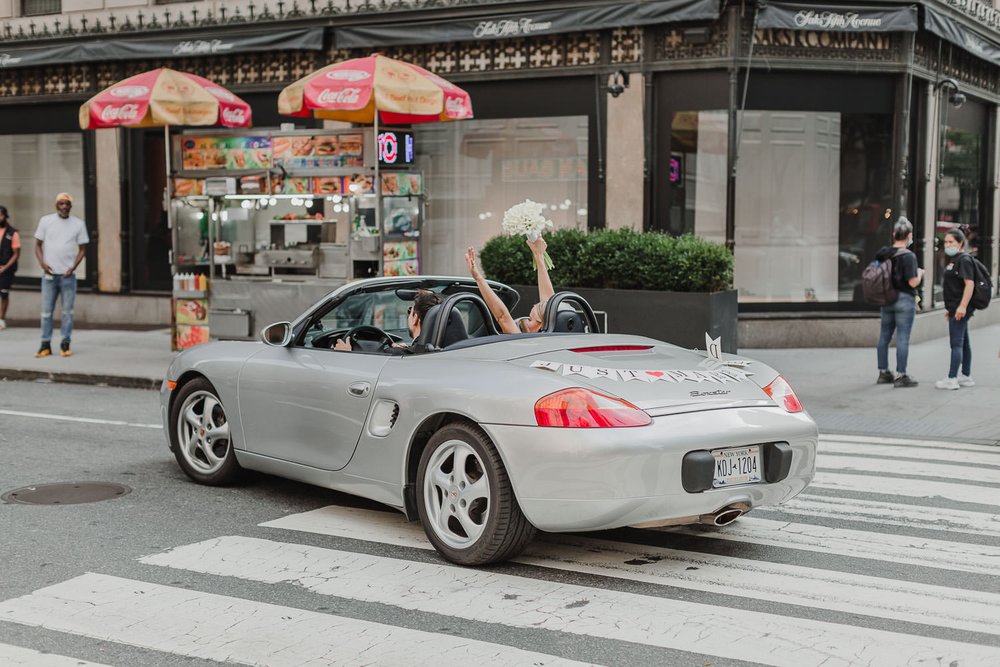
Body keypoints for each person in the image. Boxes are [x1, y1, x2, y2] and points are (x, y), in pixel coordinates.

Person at [34, 193, 88, 358]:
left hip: (67, 277)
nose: (64, 207)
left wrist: (73, 268)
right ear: (56, 205)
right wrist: (42, 264)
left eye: (67, 204)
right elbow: (37, 245)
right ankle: (45, 345)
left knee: (67, 312)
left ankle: (65, 343)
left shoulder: (78, 224)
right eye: (61, 204)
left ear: (71, 206)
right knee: (46, 312)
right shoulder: (46, 221)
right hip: (49, 276)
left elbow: (83, 249)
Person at [466, 236, 555, 334]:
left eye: (530, 319)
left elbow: (502, 316)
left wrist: (478, 277)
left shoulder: (525, 342)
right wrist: (539, 255)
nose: (524, 322)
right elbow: (550, 306)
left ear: (542, 326)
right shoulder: (560, 336)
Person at [874, 218, 924, 388]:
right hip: (904, 300)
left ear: (893, 234)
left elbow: (876, 271)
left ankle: (883, 372)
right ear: (909, 235)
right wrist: (920, 274)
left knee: (884, 337)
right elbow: (912, 282)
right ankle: (901, 375)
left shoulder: (883, 253)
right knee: (902, 338)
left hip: (886, 299)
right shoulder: (909, 256)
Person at [334, 289, 442, 351]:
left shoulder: (399, 355)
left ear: (415, 319)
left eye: (410, 311)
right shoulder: (448, 348)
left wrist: (346, 354)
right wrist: (409, 348)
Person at [935, 229, 977, 390]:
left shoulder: (963, 260)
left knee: (956, 344)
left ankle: (952, 378)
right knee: (964, 343)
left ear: (960, 243)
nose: (947, 245)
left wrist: (962, 306)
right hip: (955, 308)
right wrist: (952, 308)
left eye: (951, 242)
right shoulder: (956, 259)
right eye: (946, 242)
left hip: (960, 309)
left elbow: (969, 284)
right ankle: (965, 375)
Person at [0, 205, 20, 331]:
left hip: (6, 269)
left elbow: (16, 254)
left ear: (5, 216)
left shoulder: (12, 233)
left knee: (4, 294)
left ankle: (1, 319)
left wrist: (5, 267)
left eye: (0, 215)